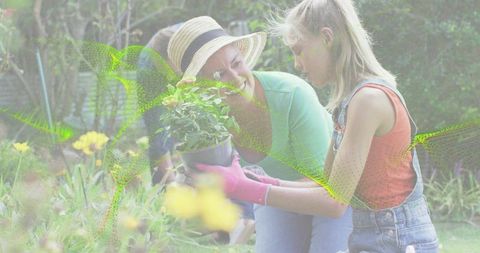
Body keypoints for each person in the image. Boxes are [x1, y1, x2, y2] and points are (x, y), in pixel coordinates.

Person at [194, 1, 439, 252]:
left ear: (326, 38)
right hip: (371, 240)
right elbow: (325, 184)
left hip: (397, 242)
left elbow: (334, 202)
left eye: (299, 51)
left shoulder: (369, 100)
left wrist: (247, 188)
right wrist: (253, 179)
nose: (297, 64)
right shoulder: (348, 101)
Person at [167, 16, 352, 253]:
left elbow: (324, 186)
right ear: (200, 88)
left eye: (236, 63)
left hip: (332, 194)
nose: (235, 79)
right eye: (219, 75)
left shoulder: (291, 94)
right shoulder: (201, 123)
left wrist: (253, 188)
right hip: (273, 197)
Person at [136, 23, 255, 245]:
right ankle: (174, 223)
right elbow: (158, 137)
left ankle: (243, 215)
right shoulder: (150, 72)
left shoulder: (200, 47)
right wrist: (172, 188)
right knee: (162, 136)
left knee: (220, 139)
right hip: (154, 72)